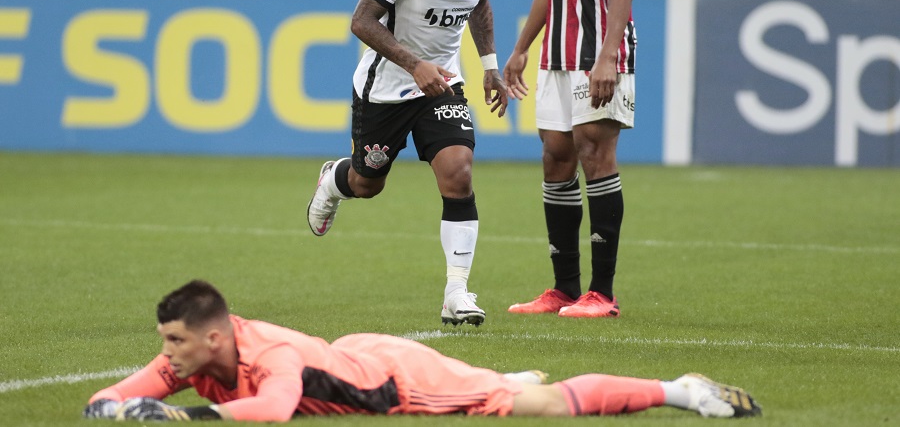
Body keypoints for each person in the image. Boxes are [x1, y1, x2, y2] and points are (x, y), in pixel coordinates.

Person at [83, 280, 761, 421]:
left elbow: (276, 409)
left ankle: (681, 389)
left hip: (397, 381)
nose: (165, 357)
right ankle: (493, 373)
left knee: (541, 408)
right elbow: (111, 397)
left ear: (214, 337)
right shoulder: (193, 356)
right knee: (488, 379)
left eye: (175, 342)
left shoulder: (271, 360)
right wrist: (111, 411)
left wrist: (182, 418)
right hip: (356, 352)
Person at [305, 0, 508, 327]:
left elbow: (478, 4)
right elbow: (361, 21)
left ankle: (457, 292)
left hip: (442, 85)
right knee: (367, 184)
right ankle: (333, 180)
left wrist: (490, 65)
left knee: (458, 174)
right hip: (386, 88)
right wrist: (415, 64)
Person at [503, 0, 637, 319]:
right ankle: (563, 289)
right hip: (557, 52)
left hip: (599, 51)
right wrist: (521, 46)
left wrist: (608, 56)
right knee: (555, 157)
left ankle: (601, 293)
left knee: (593, 152)